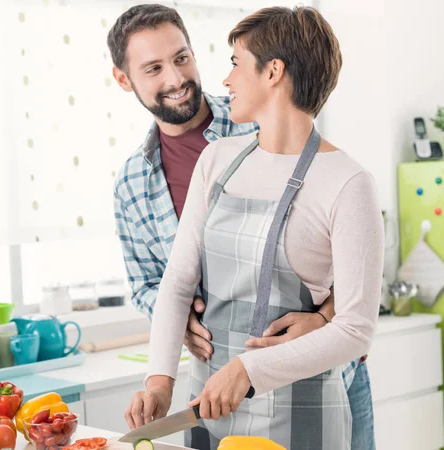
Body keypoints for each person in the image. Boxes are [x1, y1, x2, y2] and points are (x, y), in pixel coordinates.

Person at [109, 4, 380, 449]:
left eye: (235, 63)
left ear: (273, 71)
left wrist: (249, 369)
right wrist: (160, 382)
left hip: (305, 400)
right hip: (213, 399)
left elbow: (355, 325)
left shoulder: (349, 182)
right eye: (154, 67)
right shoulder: (217, 160)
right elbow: (175, 282)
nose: (225, 79)